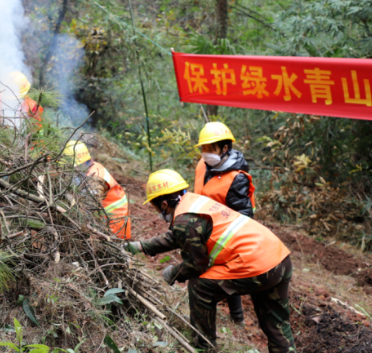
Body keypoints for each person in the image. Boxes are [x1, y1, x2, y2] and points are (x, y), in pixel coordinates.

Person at [126, 170, 295, 353]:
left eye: (156, 207)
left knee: (200, 286)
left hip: (256, 266)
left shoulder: (184, 218)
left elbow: (195, 265)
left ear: (164, 204)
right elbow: (179, 235)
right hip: (279, 257)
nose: (157, 212)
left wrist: (172, 273)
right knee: (277, 324)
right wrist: (141, 246)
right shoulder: (194, 202)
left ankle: (203, 347)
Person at [194, 121, 255, 323]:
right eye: (203, 148)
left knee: (228, 274)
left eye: (211, 148)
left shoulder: (237, 178)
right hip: (205, 228)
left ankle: (237, 320)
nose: (206, 153)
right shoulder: (202, 166)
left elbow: (245, 214)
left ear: (225, 148)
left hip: (227, 234)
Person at [64, 140, 130, 240]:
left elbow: (87, 208)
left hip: (112, 232)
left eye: (71, 169)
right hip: (106, 226)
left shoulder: (95, 179)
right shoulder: (93, 167)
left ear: (79, 165)